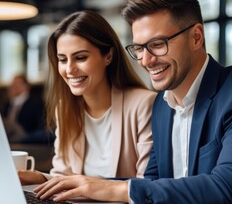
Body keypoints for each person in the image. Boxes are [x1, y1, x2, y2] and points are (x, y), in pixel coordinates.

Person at [32, 0, 232, 204]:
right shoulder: (163, 106)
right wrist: (79, 186)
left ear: (196, 37)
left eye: (157, 44)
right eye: (140, 48)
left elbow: (230, 189)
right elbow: (151, 182)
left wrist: (117, 189)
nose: (146, 60)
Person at [18, 10, 156, 185]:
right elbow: (64, 176)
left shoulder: (144, 104)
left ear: (108, 56)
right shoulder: (64, 108)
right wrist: (39, 178)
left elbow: (147, 185)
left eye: (80, 57)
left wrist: (89, 189)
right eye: (62, 59)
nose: (69, 69)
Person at [3, 74, 48, 143]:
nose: (14, 87)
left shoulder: (36, 104)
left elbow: (41, 127)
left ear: (27, 86)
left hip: (28, 141)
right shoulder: (8, 104)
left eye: (17, 84)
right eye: (13, 84)